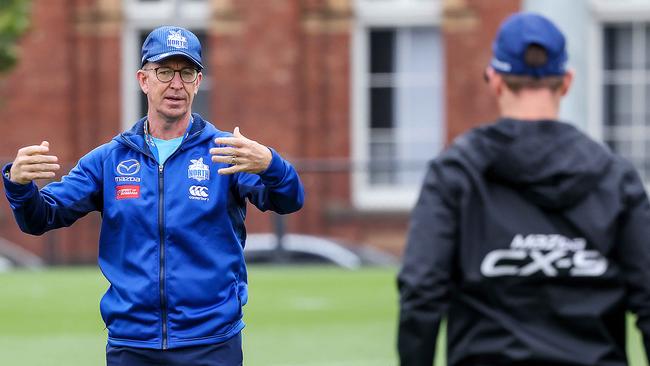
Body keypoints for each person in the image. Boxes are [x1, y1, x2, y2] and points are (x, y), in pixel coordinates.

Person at [2, 26, 304, 366]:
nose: (176, 84)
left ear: (198, 81)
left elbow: (289, 200)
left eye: (186, 72)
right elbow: (41, 217)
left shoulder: (226, 152)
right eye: (164, 71)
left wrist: (272, 165)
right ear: (143, 79)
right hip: (132, 345)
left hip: (211, 343)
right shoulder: (109, 159)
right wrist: (19, 185)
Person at [397, 12, 650, 366]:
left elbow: (421, 290)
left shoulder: (455, 173)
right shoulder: (616, 178)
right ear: (567, 81)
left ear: (495, 79)